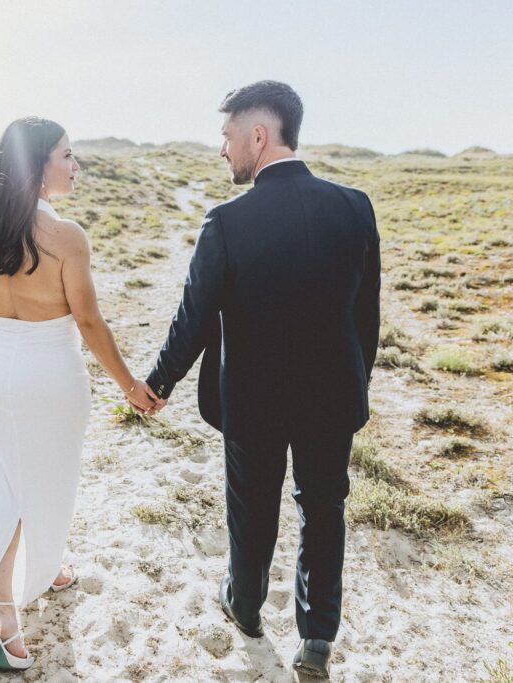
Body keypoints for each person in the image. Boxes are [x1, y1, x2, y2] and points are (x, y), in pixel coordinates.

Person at [144, 81, 380, 679]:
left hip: (252, 403)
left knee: (252, 511)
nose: (222, 150)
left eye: (227, 137)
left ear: (258, 135)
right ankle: (317, 640)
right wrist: (357, 384)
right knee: (324, 511)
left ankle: (245, 608)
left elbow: (193, 316)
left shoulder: (227, 221)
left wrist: (158, 382)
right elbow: (366, 316)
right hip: (332, 398)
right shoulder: (355, 207)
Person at [0, 116, 159, 671]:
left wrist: (4, 362)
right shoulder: (66, 237)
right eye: (66, 154)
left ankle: (26, 584)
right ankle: (5, 610)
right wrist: (132, 387)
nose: (74, 164)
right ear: (38, 167)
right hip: (52, 375)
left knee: (4, 485)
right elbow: (88, 321)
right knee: (48, 483)